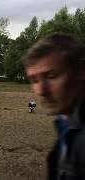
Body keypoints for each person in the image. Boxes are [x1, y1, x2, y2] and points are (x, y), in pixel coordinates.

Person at [23, 33, 85, 180]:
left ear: (82, 71)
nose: (41, 91)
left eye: (51, 76)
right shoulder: (66, 123)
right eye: (34, 80)